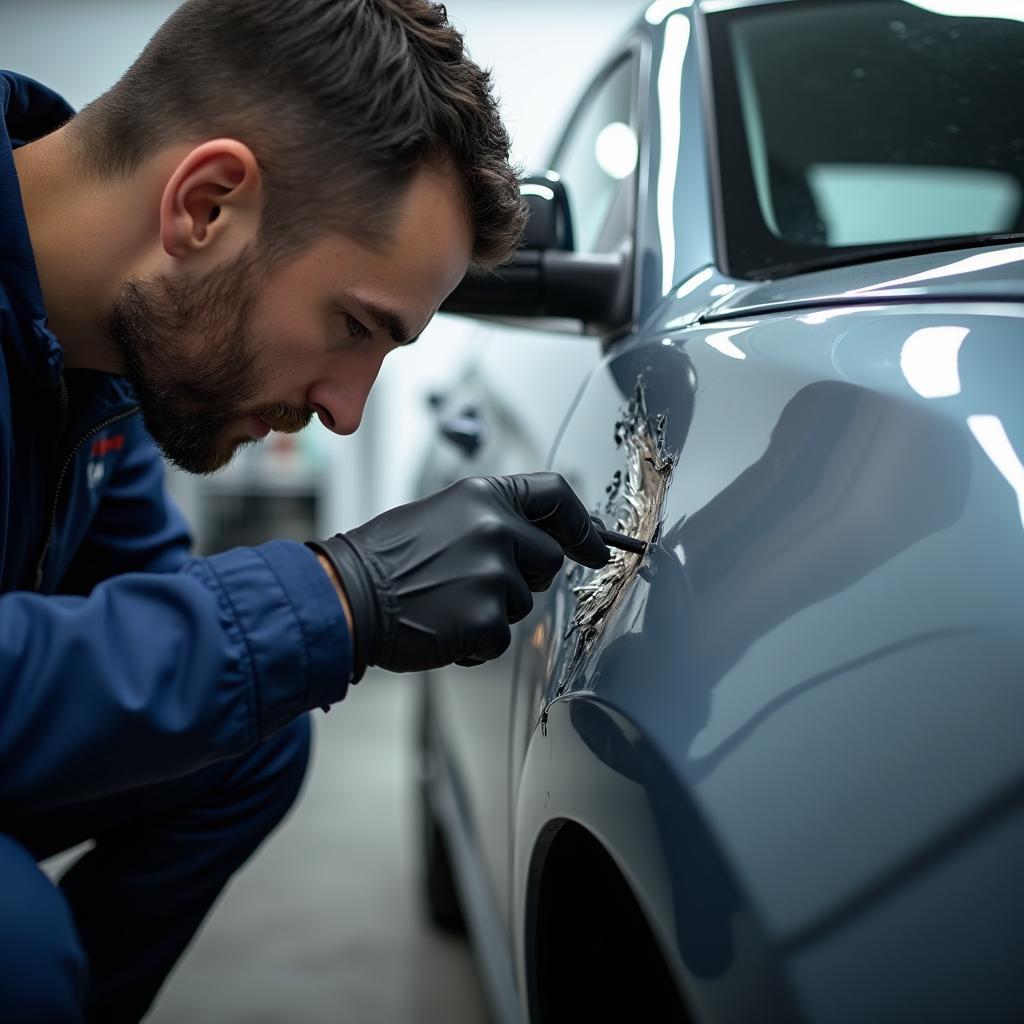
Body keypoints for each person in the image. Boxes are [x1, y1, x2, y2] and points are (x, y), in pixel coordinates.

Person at [0, 2, 610, 1020]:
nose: (344, 407)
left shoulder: (94, 370)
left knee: (248, 731)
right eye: (353, 325)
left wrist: (311, 618)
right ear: (206, 207)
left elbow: (152, 606)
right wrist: (334, 595)